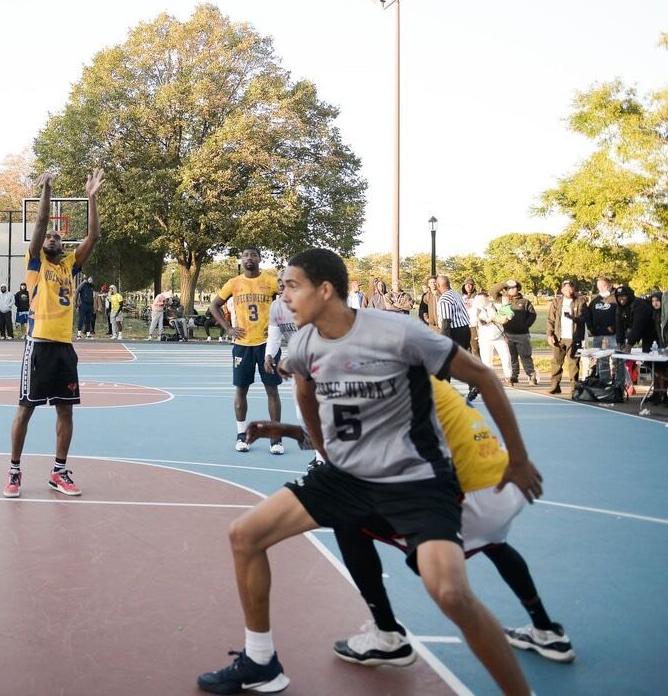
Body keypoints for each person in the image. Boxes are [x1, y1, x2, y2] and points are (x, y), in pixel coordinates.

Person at [195, 247, 540, 696]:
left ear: (325, 289)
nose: (284, 296)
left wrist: (518, 458)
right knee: (245, 535)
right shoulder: (302, 342)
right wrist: (320, 449)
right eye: (282, 287)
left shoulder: (398, 332)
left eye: (292, 285)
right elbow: (306, 396)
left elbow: (484, 377)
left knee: (451, 594)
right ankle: (261, 661)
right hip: (346, 479)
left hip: (414, 480)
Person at [243, 376, 574, 667]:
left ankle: (388, 636)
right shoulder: (413, 372)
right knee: (494, 543)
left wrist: (295, 429)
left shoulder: (377, 387)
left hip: (465, 498)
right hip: (500, 482)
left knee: (348, 518)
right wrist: (289, 431)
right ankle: (546, 630)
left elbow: (352, 449)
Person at [5, 168, 102, 498]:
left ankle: (59, 471)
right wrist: (46, 188)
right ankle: (15, 471)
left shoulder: (69, 266)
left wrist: (92, 197)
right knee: (25, 409)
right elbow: (41, 224)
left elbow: (94, 237)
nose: (52, 238)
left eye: (57, 237)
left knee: (66, 410)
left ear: (63, 245)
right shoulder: (35, 263)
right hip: (39, 346)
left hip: (64, 348)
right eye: (48, 237)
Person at [208, 248, 282, 454]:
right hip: (242, 344)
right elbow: (214, 305)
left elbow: (292, 300)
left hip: (268, 345)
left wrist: (280, 323)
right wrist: (228, 328)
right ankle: (242, 435)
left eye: (253, 255)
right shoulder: (234, 283)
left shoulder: (271, 281)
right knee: (241, 389)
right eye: (245, 256)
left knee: (272, 390)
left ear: (260, 258)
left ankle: (275, 438)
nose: (249, 258)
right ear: (242, 260)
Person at [546, 280, 586, 395]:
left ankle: (574, 387)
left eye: (570, 288)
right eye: (565, 288)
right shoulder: (557, 301)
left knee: (574, 363)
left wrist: (574, 318)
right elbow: (551, 319)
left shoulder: (580, 301)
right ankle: (555, 385)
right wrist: (550, 334)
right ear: (562, 290)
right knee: (556, 362)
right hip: (559, 337)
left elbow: (585, 318)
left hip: (574, 337)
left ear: (573, 289)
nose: (568, 290)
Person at [500, 281, 538, 385]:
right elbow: (493, 292)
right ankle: (514, 375)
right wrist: (504, 283)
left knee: (525, 355)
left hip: (522, 334)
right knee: (512, 356)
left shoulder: (525, 302)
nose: (512, 289)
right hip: (507, 333)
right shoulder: (504, 300)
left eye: (514, 287)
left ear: (518, 288)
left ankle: (531, 375)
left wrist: (525, 325)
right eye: (509, 288)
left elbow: (532, 315)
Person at [435, 275, 472, 352]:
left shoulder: (444, 299)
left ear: (438, 285)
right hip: (465, 329)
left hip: (455, 333)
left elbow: (446, 322)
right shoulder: (456, 293)